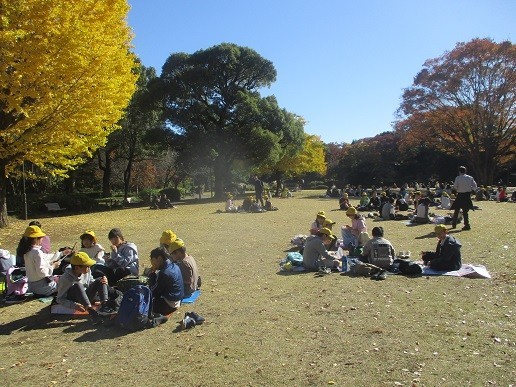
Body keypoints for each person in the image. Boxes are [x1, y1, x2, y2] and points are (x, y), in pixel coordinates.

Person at [55, 252, 114, 321]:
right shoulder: (66, 278)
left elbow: (91, 281)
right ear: (77, 268)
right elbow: (60, 298)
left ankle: (105, 306)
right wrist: (74, 305)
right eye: (87, 266)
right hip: (76, 299)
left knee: (100, 280)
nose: (89, 268)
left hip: (86, 296)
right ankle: (92, 312)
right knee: (78, 285)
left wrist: (103, 282)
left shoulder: (87, 271)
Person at [20, 225, 72, 296]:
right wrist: (53, 266)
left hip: (32, 286)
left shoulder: (27, 251)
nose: (42, 239)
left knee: (59, 279)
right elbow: (41, 272)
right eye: (41, 237)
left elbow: (45, 258)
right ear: (36, 239)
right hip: (43, 287)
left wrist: (62, 253)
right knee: (68, 283)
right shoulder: (36, 252)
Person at [148, 247, 184, 315]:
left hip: (170, 304)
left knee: (145, 305)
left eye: (153, 260)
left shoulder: (164, 273)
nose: (152, 263)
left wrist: (152, 274)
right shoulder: (174, 266)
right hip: (178, 300)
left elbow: (155, 292)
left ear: (159, 258)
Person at [451, 166, 477, 230]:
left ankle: (454, 224)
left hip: (460, 195)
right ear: (465, 171)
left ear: (459, 171)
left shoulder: (458, 178)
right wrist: (471, 190)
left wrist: (458, 189)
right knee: (465, 211)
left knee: (456, 210)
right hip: (467, 195)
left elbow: (455, 187)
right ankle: (467, 225)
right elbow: (475, 186)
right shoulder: (470, 178)